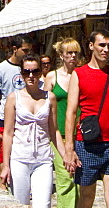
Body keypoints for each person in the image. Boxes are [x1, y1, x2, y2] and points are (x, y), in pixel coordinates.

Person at [64, 30, 109, 208]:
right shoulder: (79, 74)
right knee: (86, 199)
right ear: (91, 46)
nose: (106, 50)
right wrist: (69, 149)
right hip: (87, 145)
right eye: (102, 45)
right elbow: (71, 112)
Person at [0, 55, 72, 208]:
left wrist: (66, 156)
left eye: (34, 71)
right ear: (21, 74)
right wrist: (5, 165)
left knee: (43, 204)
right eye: (26, 72)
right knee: (20, 203)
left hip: (43, 159)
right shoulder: (13, 98)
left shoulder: (49, 98)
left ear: (40, 73)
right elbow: (8, 133)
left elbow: (54, 132)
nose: (31, 76)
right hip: (20, 158)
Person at [43, 38, 82, 208]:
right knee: (66, 176)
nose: (73, 56)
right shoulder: (52, 77)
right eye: (69, 53)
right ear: (61, 55)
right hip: (59, 134)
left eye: (75, 53)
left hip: (80, 133)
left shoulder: (82, 75)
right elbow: (43, 106)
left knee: (81, 179)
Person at [0, 35, 34, 180]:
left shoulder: (31, 70)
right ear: (15, 49)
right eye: (25, 50)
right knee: (3, 163)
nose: (27, 54)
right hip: (4, 121)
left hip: (24, 122)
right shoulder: (0, 70)